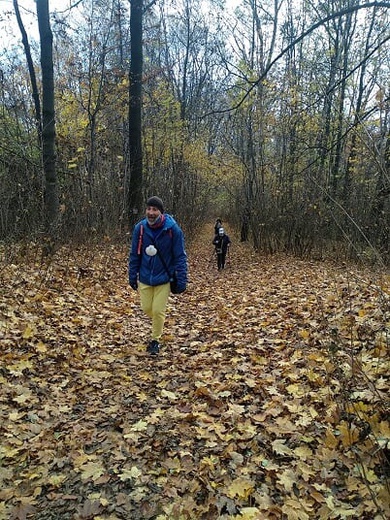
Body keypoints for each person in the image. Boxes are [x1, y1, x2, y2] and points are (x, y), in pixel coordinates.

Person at [128, 196, 188, 356]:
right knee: (147, 308)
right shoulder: (139, 229)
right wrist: (132, 274)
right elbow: (134, 254)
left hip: (164, 278)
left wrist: (182, 278)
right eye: (149, 209)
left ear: (161, 212)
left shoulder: (172, 229)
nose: (151, 213)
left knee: (158, 311)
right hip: (145, 277)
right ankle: (158, 323)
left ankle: (155, 340)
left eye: (154, 210)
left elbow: (180, 256)